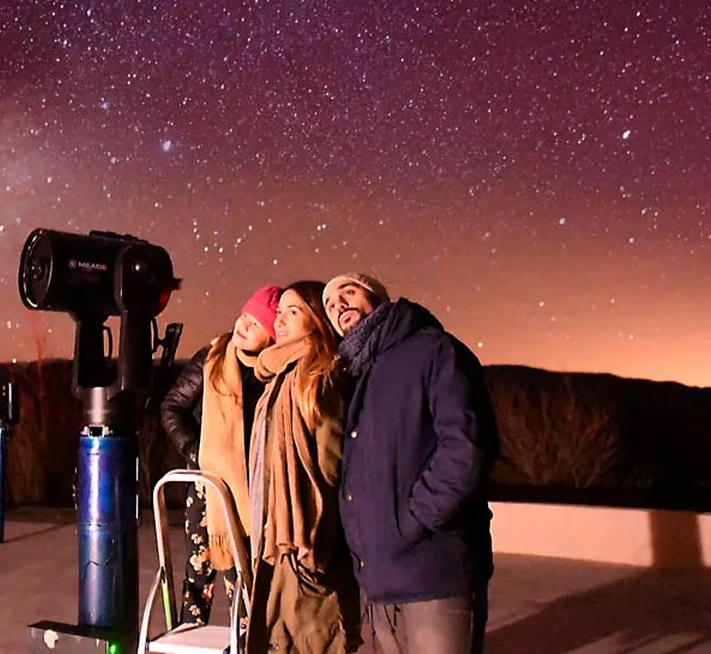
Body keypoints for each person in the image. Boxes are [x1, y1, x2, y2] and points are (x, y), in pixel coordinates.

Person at [322, 273, 499, 654]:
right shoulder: (354, 374)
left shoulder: (434, 351)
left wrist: (413, 519)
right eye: (330, 304)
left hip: (433, 571)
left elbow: (467, 445)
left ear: (377, 296)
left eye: (348, 292)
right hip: (376, 579)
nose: (339, 305)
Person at [244, 280, 360, 653]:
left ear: (316, 321)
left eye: (293, 312)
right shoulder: (278, 375)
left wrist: (316, 541)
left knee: (312, 639)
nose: (279, 320)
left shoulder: (318, 375)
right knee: (279, 636)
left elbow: (331, 465)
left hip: (305, 539)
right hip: (276, 535)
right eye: (279, 312)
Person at [160, 285, 282, 626]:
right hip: (207, 487)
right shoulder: (212, 358)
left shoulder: (277, 374)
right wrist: (195, 452)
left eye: (256, 323)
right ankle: (187, 636)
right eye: (245, 316)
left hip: (253, 492)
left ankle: (244, 644)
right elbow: (171, 409)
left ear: (272, 337)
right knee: (199, 574)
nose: (243, 325)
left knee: (245, 579)